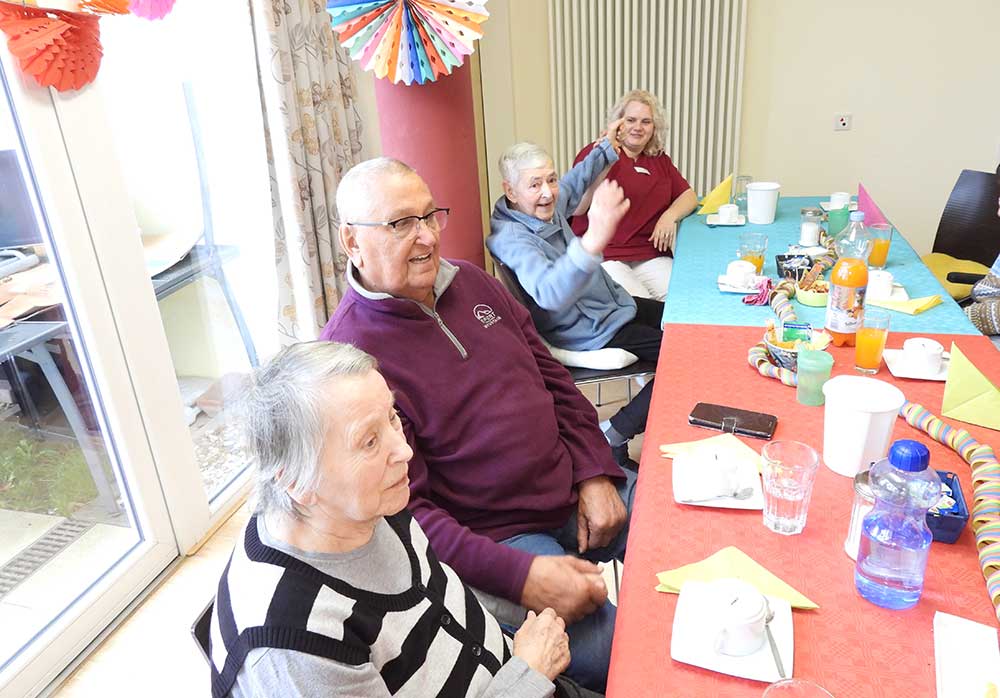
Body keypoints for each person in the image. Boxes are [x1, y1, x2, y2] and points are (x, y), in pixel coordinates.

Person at [321, 158, 637, 692]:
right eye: (401, 224)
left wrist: (594, 472)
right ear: (352, 241)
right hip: (499, 539)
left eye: (430, 216)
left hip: (568, 482)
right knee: (620, 652)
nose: (427, 237)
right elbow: (407, 515)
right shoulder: (351, 361)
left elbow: (555, 380)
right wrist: (522, 575)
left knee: (684, 533)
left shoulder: (472, 282)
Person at [210, 341, 598, 698]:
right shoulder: (296, 647)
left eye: (392, 417)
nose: (404, 451)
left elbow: (435, 600)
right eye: (369, 441)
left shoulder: (367, 502)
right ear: (296, 482)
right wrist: (528, 675)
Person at [488, 138, 662, 467]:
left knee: (683, 321)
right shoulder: (512, 239)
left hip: (613, 307)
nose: (548, 192)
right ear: (510, 190)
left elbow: (573, 182)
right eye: (535, 184)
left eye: (550, 179)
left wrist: (607, 146)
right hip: (590, 328)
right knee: (681, 359)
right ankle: (613, 434)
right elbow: (549, 293)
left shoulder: (540, 208)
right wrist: (594, 238)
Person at [570, 89, 697, 301]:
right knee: (641, 305)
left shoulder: (659, 160)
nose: (638, 127)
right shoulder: (596, 152)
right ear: (618, 123)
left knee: (683, 299)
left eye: (646, 122)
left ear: (654, 128)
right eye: (631, 120)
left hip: (649, 254)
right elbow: (577, 207)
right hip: (606, 255)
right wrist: (603, 158)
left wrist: (669, 216)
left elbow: (689, 196)